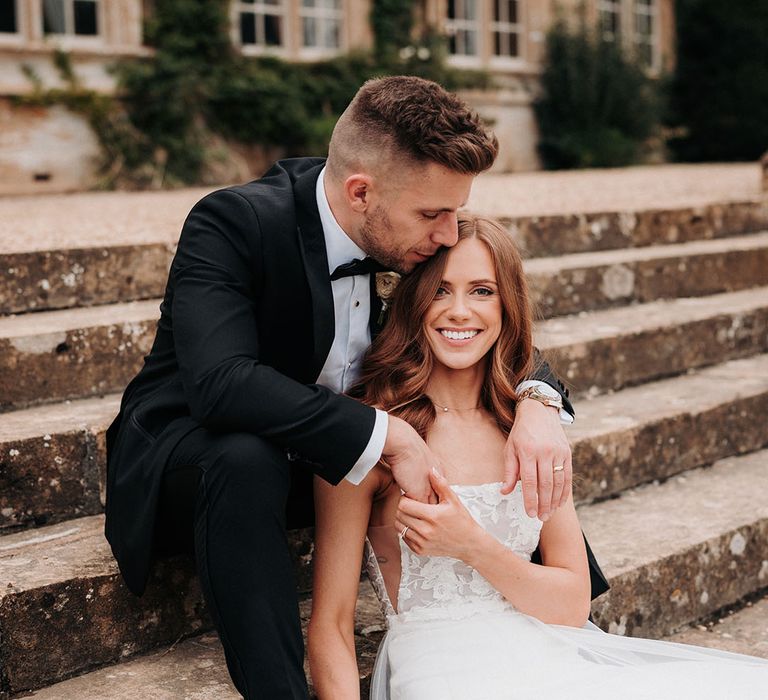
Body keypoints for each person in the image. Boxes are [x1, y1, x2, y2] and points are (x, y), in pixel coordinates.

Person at [104, 76, 601, 700]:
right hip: (196, 462)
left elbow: (486, 321)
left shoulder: (408, 247)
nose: (449, 233)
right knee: (243, 456)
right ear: (361, 192)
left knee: (506, 447)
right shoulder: (235, 223)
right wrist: (382, 430)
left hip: (329, 466)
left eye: (455, 211)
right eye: (433, 214)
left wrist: (539, 401)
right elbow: (218, 386)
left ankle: (559, 637)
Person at [308, 213, 768, 699]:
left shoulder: (529, 434)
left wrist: (472, 545)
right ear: (411, 302)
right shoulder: (373, 435)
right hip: (441, 671)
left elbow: (571, 606)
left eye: (482, 291)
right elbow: (332, 625)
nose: (460, 311)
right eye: (440, 290)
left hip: (551, 656)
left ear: (509, 305)